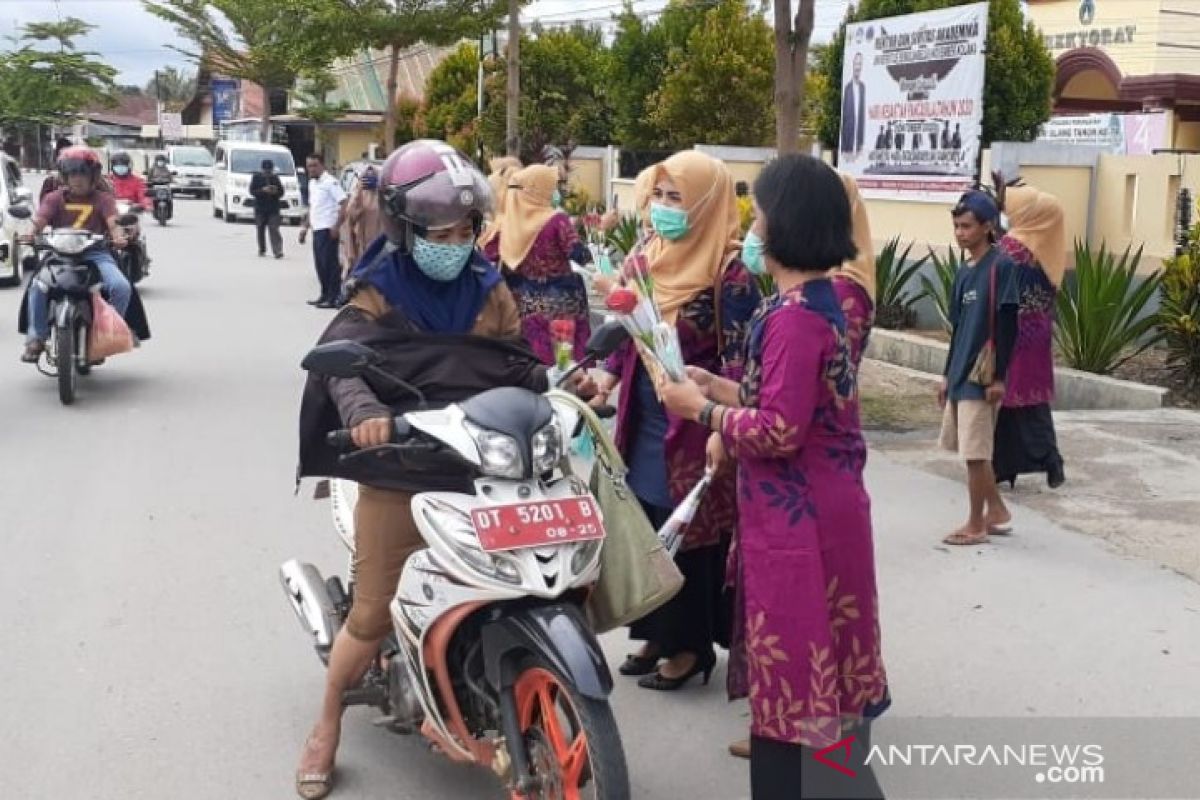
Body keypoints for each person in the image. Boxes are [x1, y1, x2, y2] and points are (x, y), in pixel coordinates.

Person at [293, 139, 554, 800]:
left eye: (466, 229)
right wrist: (362, 412)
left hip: (479, 458)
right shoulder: (378, 289)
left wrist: (564, 387)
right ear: (406, 229)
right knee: (374, 612)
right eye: (440, 230)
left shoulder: (488, 288)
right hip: (401, 460)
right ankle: (326, 723)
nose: (456, 241)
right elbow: (341, 364)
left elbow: (517, 362)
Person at [656, 154, 889, 800]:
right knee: (829, 694)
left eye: (757, 216)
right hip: (822, 511)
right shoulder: (813, 303)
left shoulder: (792, 318)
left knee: (799, 691)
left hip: (800, 524)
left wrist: (700, 410)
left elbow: (781, 431)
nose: (750, 229)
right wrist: (721, 388)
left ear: (785, 225)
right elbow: (792, 404)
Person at [587, 150, 761, 692]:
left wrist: (719, 425)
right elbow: (629, 327)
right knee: (643, 518)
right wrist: (609, 379)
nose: (662, 208)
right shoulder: (648, 250)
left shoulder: (730, 274)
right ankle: (656, 631)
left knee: (688, 529)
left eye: (676, 198)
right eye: (658, 196)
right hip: (643, 412)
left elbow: (739, 360)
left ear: (708, 204)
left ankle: (690, 644)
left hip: (694, 421)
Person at [938, 191, 1020, 545]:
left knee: (975, 454)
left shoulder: (1001, 267)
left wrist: (999, 377)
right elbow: (957, 328)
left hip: (981, 377)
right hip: (959, 374)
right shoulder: (963, 272)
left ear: (987, 227)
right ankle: (997, 510)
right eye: (956, 226)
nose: (960, 233)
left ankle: (976, 522)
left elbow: (1008, 324)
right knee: (971, 452)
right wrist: (945, 374)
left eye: (967, 226)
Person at [18, 146, 134, 362]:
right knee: (37, 286)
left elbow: (113, 223)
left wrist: (118, 236)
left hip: (96, 255)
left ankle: (106, 336)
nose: (77, 179)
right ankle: (36, 338)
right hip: (58, 255)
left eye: (82, 173)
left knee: (121, 287)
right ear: (64, 176)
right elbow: (39, 221)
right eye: (72, 174)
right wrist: (29, 234)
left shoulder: (104, 199)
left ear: (93, 176)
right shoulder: (53, 198)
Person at [993, 183, 1067, 489]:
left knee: (1012, 399)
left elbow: (991, 272)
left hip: (1014, 332)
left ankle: (1046, 460)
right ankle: (1008, 465)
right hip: (1038, 332)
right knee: (1024, 400)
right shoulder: (1047, 246)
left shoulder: (1014, 248)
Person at [480, 163, 593, 363]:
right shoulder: (556, 220)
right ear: (539, 189)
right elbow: (579, 255)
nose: (555, 192)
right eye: (552, 187)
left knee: (532, 364)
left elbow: (489, 261)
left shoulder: (504, 225)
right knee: (564, 367)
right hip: (561, 308)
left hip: (523, 309)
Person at [299, 153, 348, 308]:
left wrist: (337, 226)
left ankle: (334, 297)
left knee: (330, 265)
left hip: (328, 229)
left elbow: (344, 203)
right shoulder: (313, 183)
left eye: (314, 165)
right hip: (317, 228)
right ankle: (324, 294)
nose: (311, 169)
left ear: (322, 165)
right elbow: (313, 207)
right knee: (320, 264)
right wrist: (304, 228)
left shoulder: (330, 183)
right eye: (309, 166)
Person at [344, 165, 383, 269]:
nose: (369, 180)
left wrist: (380, 188)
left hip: (381, 244)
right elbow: (351, 214)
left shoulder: (384, 195)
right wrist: (359, 190)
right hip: (362, 244)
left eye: (373, 177)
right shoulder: (359, 194)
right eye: (366, 177)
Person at [250, 159, 285, 259]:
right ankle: (262, 249)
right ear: (262, 169)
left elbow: (281, 192)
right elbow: (252, 191)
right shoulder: (256, 177)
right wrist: (262, 190)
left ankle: (277, 250)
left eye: (269, 170)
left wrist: (275, 192)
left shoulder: (275, 178)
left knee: (274, 229)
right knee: (260, 228)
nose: (267, 173)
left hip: (273, 208)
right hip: (260, 208)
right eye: (265, 170)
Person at [841, 51, 867, 161]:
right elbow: (844, 118)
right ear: (852, 65)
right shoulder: (847, 88)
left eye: (860, 64)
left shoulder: (862, 87)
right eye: (856, 64)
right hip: (848, 146)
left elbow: (862, 117)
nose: (858, 67)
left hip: (859, 146)